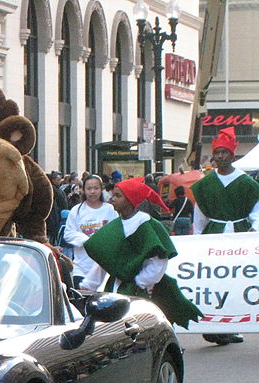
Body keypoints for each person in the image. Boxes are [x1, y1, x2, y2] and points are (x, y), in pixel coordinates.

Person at [81, 178, 202, 329]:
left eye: (118, 196)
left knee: (141, 324)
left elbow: (159, 261)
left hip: (140, 289)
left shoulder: (147, 224)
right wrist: (89, 285)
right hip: (115, 287)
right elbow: (105, 260)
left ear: (131, 200)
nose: (113, 199)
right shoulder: (115, 225)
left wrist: (141, 282)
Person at [190, 127, 259, 345]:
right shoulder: (204, 185)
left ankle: (235, 325)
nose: (220, 156)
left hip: (240, 235)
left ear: (232, 154)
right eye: (217, 152)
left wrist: (254, 231)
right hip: (214, 235)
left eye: (224, 152)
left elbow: (256, 211)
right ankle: (214, 325)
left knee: (238, 281)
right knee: (215, 282)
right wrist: (197, 240)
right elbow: (199, 216)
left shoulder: (247, 183)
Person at [62, 175, 117, 287]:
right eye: (89, 188)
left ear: (101, 189)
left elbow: (117, 234)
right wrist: (87, 240)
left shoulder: (110, 210)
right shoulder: (76, 211)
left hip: (105, 268)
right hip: (82, 267)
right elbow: (68, 234)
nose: (93, 191)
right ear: (83, 190)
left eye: (96, 188)